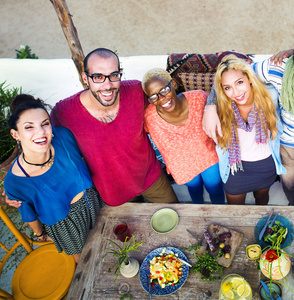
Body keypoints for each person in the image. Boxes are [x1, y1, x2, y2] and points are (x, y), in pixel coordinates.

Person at [6, 48, 178, 208]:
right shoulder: (64, 112)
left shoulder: (135, 91)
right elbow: (43, 144)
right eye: (98, 77)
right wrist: (18, 181)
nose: (107, 85)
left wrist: (205, 107)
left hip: (152, 179)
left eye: (113, 75)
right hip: (113, 194)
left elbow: (171, 107)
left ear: (120, 74)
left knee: (178, 216)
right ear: (85, 78)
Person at [203, 11, 294, 206]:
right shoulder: (276, 68)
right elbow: (232, 76)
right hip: (284, 146)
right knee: (289, 188)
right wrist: (210, 107)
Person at [4, 94, 104, 263]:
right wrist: (40, 234)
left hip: (92, 201)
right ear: (15, 134)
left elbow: (90, 154)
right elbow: (29, 215)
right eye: (29, 127)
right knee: (85, 260)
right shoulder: (14, 182)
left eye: (45, 124)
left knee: (106, 239)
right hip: (66, 226)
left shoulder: (64, 137)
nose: (41, 132)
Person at [141, 68, 225, 204]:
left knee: (215, 188)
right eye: (154, 96)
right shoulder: (149, 117)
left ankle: (219, 213)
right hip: (181, 166)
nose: (161, 99)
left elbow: (219, 107)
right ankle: (199, 211)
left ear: (173, 84)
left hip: (208, 157)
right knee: (195, 190)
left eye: (164, 90)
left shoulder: (200, 98)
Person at [211, 55, 286, 205]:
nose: (236, 92)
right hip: (235, 170)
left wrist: (291, 50)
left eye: (239, 82)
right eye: (228, 88)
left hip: (266, 166)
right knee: (236, 211)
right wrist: (209, 108)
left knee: (262, 201)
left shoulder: (269, 96)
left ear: (249, 78)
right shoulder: (220, 108)